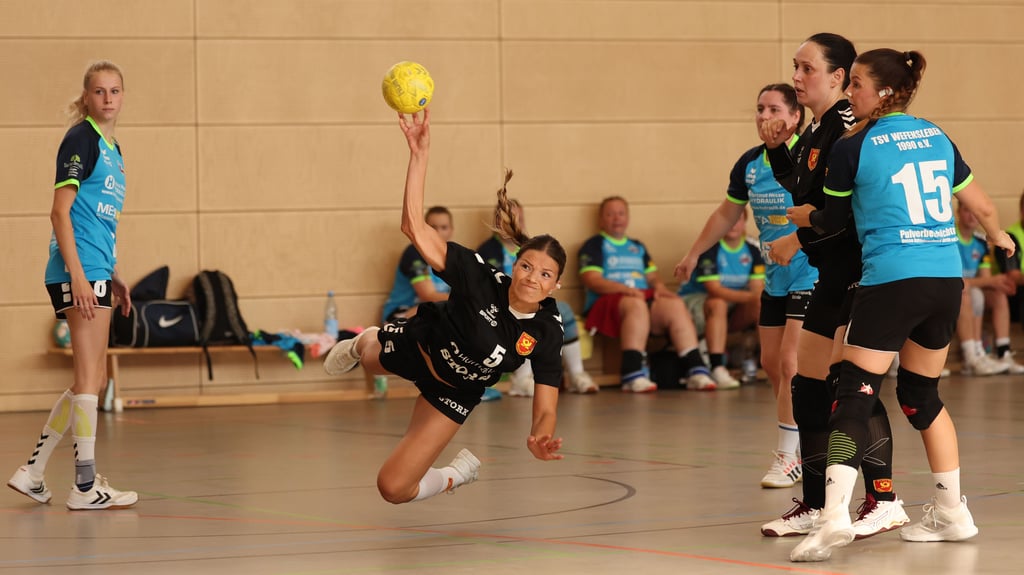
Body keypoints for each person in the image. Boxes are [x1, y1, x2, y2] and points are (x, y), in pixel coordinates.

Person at [787, 48, 1014, 562]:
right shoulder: (936, 135)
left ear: (884, 92)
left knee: (852, 394)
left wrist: (803, 218)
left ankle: (833, 518)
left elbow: (832, 220)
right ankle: (952, 513)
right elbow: (980, 205)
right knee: (920, 395)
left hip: (892, 280)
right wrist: (999, 235)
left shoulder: (854, 145)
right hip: (944, 280)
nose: (850, 93)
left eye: (857, 83)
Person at [324, 109, 565, 504]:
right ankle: (365, 340)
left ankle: (456, 474)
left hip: (457, 389)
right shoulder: (478, 276)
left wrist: (541, 435)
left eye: (545, 274)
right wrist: (419, 155)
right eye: (526, 266)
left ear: (556, 284)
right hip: (420, 346)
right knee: (368, 359)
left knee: (394, 488)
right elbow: (414, 227)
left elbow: (546, 404)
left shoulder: (547, 330)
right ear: (514, 264)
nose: (532, 278)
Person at [758, 33, 905, 540]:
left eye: (807, 69)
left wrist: (798, 238)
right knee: (808, 385)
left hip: (860, 274)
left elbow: (843, 214)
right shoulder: (819, 128)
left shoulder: (849, 126)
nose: (796, 77)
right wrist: (777, 150)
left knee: (852, 386)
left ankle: (884, 498)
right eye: (795, 67)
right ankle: (818, 503)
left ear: (839, 77)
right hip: (832, 274)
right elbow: (803, 191)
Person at [6, 61, 138, 510]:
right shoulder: (81, 139)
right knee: (88, 379)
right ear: (86, 97)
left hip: (97, 268)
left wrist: (113, 274)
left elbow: (98, 220)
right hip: (77, 270)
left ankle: (33, 473)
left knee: (92, 378)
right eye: (99, 91)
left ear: (123, 96)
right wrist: (79, 274)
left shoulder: (114, 150)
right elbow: (59, 212)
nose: (108, 98)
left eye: (115, 91)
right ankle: (84, 487)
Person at [675, 83, 816, 488]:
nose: (764, 116)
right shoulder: (750, 163)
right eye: (759, 108)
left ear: (795, 118)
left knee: (790, 363)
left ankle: (788, 456)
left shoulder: (810, 158)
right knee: (772, 365)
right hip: (774, 276)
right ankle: (802, 439)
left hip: (810, 271)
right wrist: (694, 253)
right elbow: (726, 213)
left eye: (774, 109)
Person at [579, 197, 715, 392]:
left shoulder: (637, 246)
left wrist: (659, 287)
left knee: (674, 304)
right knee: (636, 304)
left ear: (627, 218)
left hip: (641, 298)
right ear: (601, 220)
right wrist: (625, 289)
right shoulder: (594, 245)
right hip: (608, 303)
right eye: (610, 214)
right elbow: (592, 279)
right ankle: (632, 373)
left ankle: (696, 369)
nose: (616, 218)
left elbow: (652, 277)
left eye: (621, 213)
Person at [477, 181, 599, 395]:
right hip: (500, 307)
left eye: (518, 218)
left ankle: (576, 374)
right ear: (498, 221)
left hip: (529, 302)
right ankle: (522, 378)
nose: (514, 223)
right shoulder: (488, 251)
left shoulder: (532, 247)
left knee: (561, 311)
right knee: (529, 315)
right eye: (507, 218)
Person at [677, 209, 764, 389]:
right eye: (730, 220)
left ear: (745, 223)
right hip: (698, 302)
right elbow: (714, 290)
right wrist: (752, 296)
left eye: (738, 220)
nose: (733, 224)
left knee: (762, 303)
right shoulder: (709, 248)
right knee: (718, 303)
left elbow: (757, 288)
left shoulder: (753, 250)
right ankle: (718, 367)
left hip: (732, 305)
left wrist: (756, 297)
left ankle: (766, 360)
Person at [954, 202, 1017, 375]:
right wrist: (991, 280)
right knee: (967, 293)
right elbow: (956, 281)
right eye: (967, 211)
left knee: (997, 294)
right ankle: (971, 357)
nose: (972, 216)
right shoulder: (950, 238)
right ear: (958, 212)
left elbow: (985, 279)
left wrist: (996, 282)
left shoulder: (981, 242)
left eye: (975, 212)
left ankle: (1003, 353)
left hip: (969, 288)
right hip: (951, 290)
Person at [380, 206, 453, 323]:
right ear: (424, 229)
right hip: (400, 313)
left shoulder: (452, 256)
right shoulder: (414, 252)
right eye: (433, 227)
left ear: (451, 230)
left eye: (444, 227)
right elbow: (428, 295)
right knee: (438, 309)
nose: (438, 232)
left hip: (430, 313)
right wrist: (466, 300)